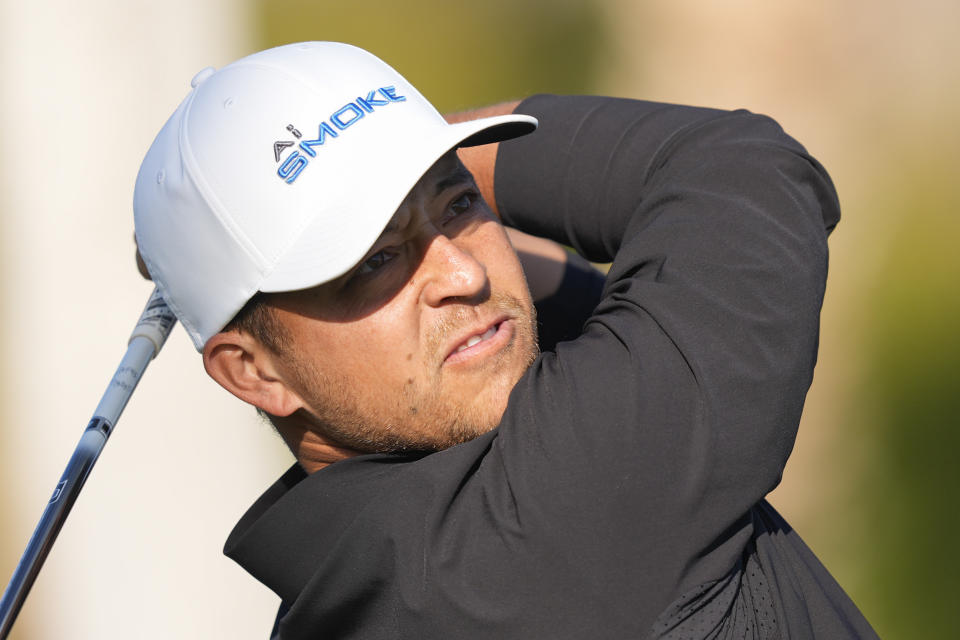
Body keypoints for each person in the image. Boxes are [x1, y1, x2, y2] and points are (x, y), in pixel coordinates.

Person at [133, 42, 878, 639]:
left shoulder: (346, 593)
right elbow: (742, 168)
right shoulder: (553, 512)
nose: (462, 272)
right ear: (252, 372)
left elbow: (583, 311)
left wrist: (385, 166)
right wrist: (439, 147)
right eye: (373, 261)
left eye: (458, 204)